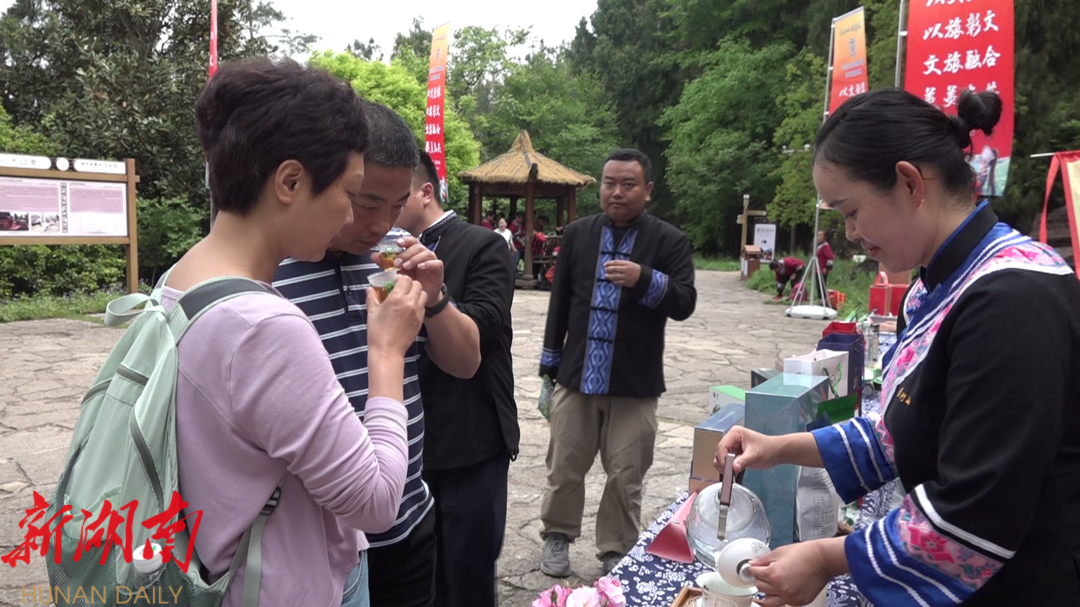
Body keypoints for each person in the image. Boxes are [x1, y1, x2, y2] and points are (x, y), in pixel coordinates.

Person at [714, 88, 1080, 607]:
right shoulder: (936, 286)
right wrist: (778, 447)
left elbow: (975, 511)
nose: (849, 233)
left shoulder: (1013, 299)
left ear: (909, 182)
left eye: (851, 210)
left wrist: (825, 558)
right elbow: (902, 428)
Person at [164, 58, 424, 607]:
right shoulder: (265, 328)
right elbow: (376, 502)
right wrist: (386, 351)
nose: (351, 217)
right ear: (290, 182)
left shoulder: (176, 282)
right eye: (350, 193)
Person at [272, 102, 482, 607]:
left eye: (397, 205)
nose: (380, 223)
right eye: (366, 203)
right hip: (319, 538)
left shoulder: (397, 252)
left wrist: (435, 298)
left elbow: (466, 362)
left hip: (407, 518)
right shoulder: (271, 265)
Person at [538, 148, 697, 577]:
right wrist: (549, 369)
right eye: (610, 183)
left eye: (629, 184)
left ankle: (616, 547)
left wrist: (644, 278)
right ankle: (557, 534)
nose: (617, 192)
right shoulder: (579, 235)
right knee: (564, 465)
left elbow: (685, 302)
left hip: (635, 382)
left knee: (626, 474)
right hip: (576, 377)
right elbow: (560, 302)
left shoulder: (668, 241)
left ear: (648, 190)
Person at [395, 151, 520, 607]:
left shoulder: (483, 246)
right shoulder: (380, 252)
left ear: (425, 192)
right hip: (409, 442)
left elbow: (483, 328)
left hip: (472, 438)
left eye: (394, 197)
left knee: (466, 577)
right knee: (418, 579)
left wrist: (435, 297)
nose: (384, 211)